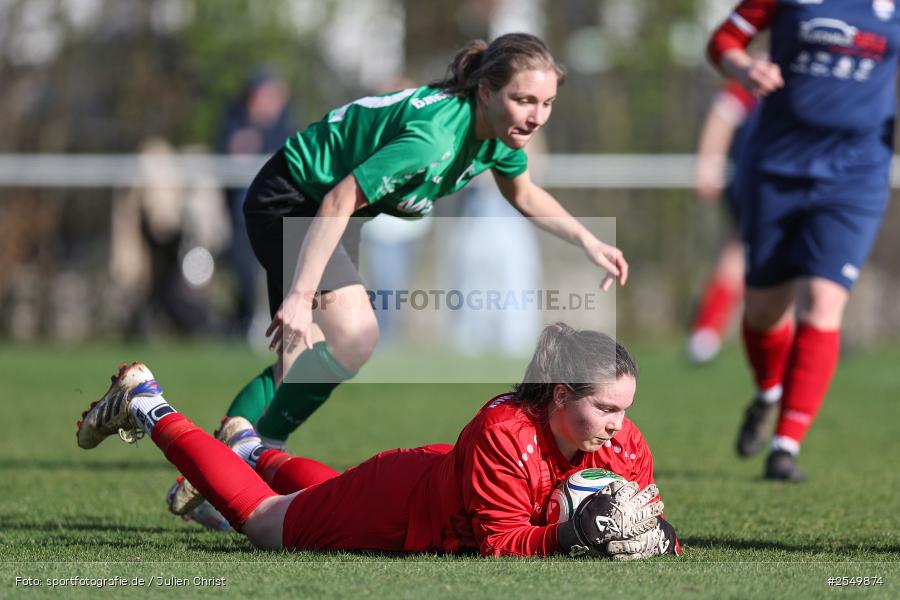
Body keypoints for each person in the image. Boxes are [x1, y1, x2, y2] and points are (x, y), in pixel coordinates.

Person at [193, 34, 626, 467]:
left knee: (314, 357)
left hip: (332, 207)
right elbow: (339, 200)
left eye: (546, 103)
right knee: (349, 338)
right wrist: (300, 297)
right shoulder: (434, 139)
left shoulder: (498, 132)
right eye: (524, 100)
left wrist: (588, 241)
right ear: (487, 91)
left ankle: (236, 459)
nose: (536, 116)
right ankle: (242, 458)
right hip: (295, 196)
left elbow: (525, 194)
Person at [76, 323, 679, 560]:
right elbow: (502, 544)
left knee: (319, 497)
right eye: (604, 408)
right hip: (399, 508)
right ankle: (145, 401)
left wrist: (658, 538)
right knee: (264, 522)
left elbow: (644, 516)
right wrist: (574, 536)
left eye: (625, 409)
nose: (619, 425)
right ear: (559, 397)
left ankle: (250, 449)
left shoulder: (623, 442)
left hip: (441, 488)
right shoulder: (504, 433)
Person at [708, 1, 900, 480]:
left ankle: (785, 445)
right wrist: (746, 65)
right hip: (776, 166)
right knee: (764, 308)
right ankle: (768, 393)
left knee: (823, 298)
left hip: (856, 174)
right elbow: (723, 42)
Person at [686, 79, 758, 364]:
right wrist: (708, 162)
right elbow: (723, 115)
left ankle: (807, 334)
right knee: (740, 250)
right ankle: (706, 332)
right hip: (760, 180)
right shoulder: (764, 68)